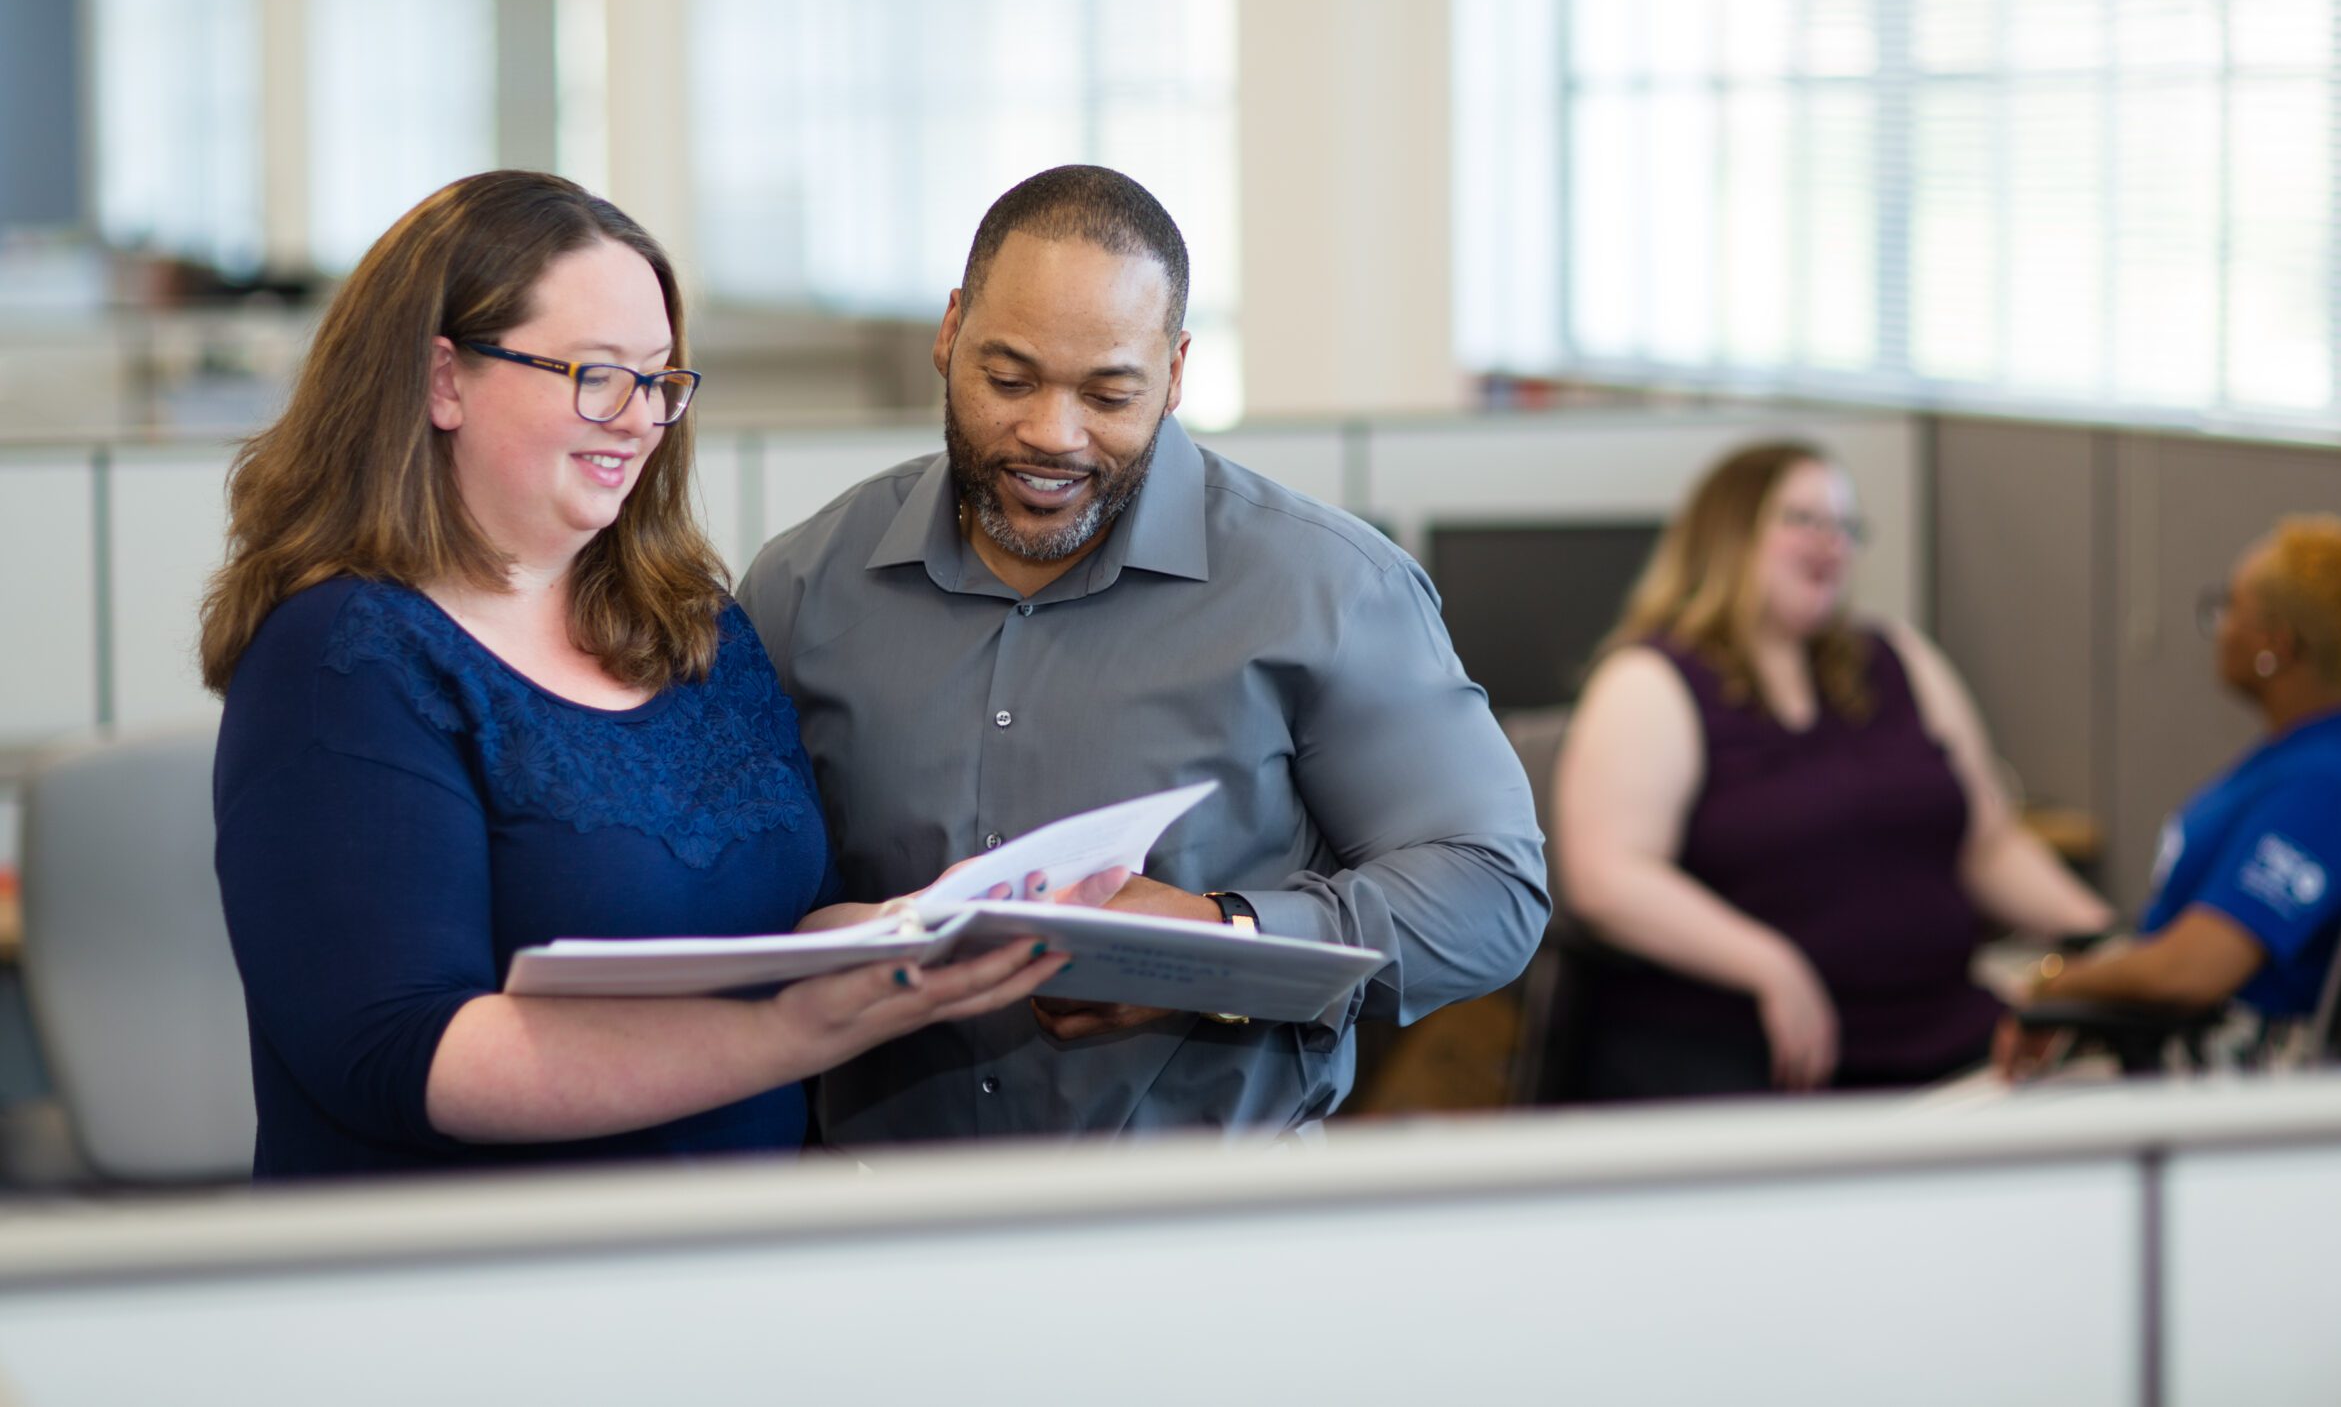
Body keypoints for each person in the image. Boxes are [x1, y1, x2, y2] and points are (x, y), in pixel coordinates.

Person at [205, 171, 1069, 1179]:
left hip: (726, 1264)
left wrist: (923, 929)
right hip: (470, 1285)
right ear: (442, 379)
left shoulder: (689, 624)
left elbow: (790, 920)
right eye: (596, 374)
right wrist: (798, 1032)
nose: (639, 419)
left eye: (659, 380)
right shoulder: (343, 659)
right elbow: (407, 1056)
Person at [738, 163, 1550, 1145]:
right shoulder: (803, 587)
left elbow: (1489, 893)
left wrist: (1219, 944)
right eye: (1009, 379)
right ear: (949, 331)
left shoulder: (1326, 587)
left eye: (1109, 394)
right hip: (881, 1221)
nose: (1052, 434)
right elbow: (736, 908)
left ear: (1174, 374)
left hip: (1202, 1236)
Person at [1549, 441, 2115, 1100]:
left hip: (1936, 1028)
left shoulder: (1896, 658)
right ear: (1728, 534)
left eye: (1845, 526)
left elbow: (1988, 844)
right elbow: (1607, 877)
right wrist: (1771, 964)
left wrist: (2105, 942)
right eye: (1803, 520)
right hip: (1756, 1046)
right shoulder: (1653, 680)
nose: (1831, 543)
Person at [1999, 514, 2341, 1074]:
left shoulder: (2328, 787)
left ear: (2276, 645)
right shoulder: (2329, 746)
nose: (2219, 628)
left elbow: (2192, 972)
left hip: (2209, 1060)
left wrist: (2053, 987)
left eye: (2230, 609)